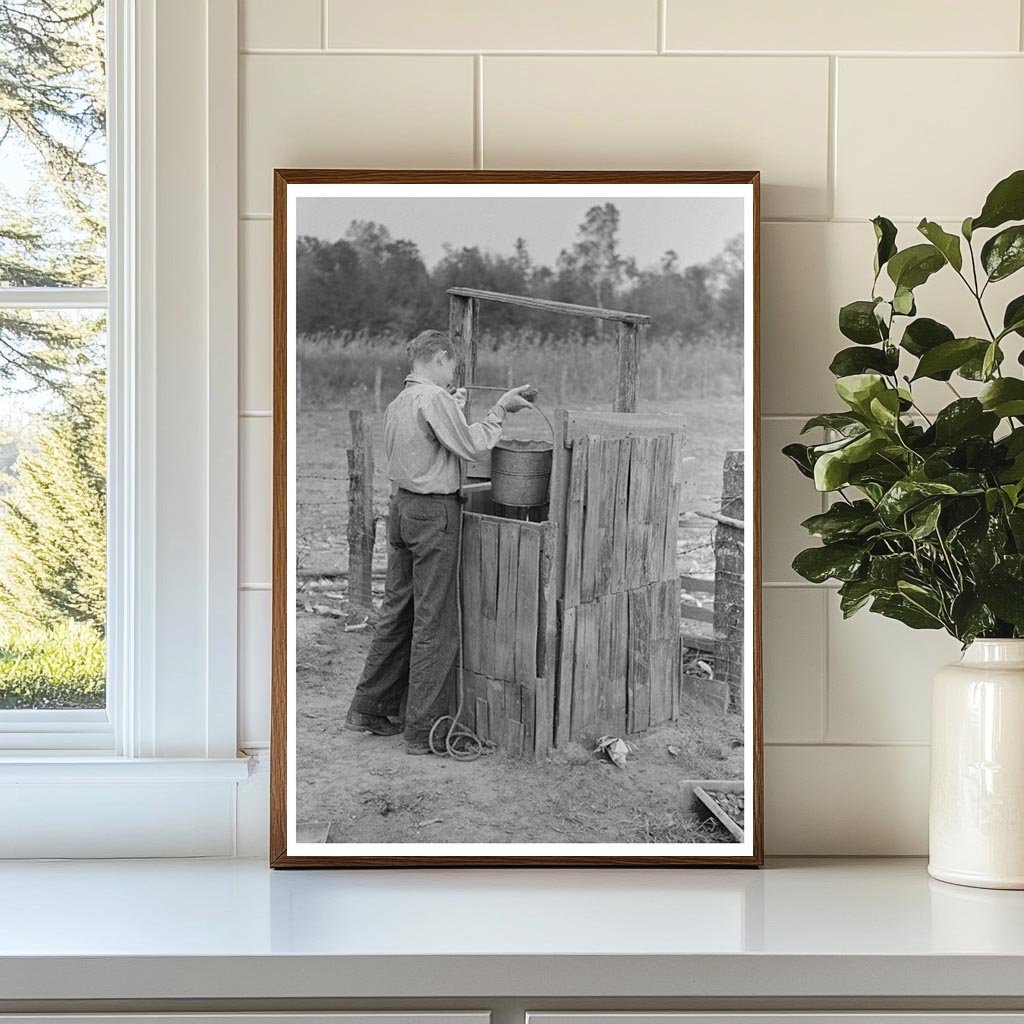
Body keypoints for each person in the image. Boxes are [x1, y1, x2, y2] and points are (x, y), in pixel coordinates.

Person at [344, 329, 533, 755]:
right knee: (435, 620)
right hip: (433, 515)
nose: (453, 376)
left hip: (403, 510)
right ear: (441, 358)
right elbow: (470, 446)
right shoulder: (433, 400)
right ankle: (423, 729)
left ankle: (367, 708)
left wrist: (456, 407)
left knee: (397, 611)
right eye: (452, 367)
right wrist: (500, 408)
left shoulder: (400, 402)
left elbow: (428, 447)